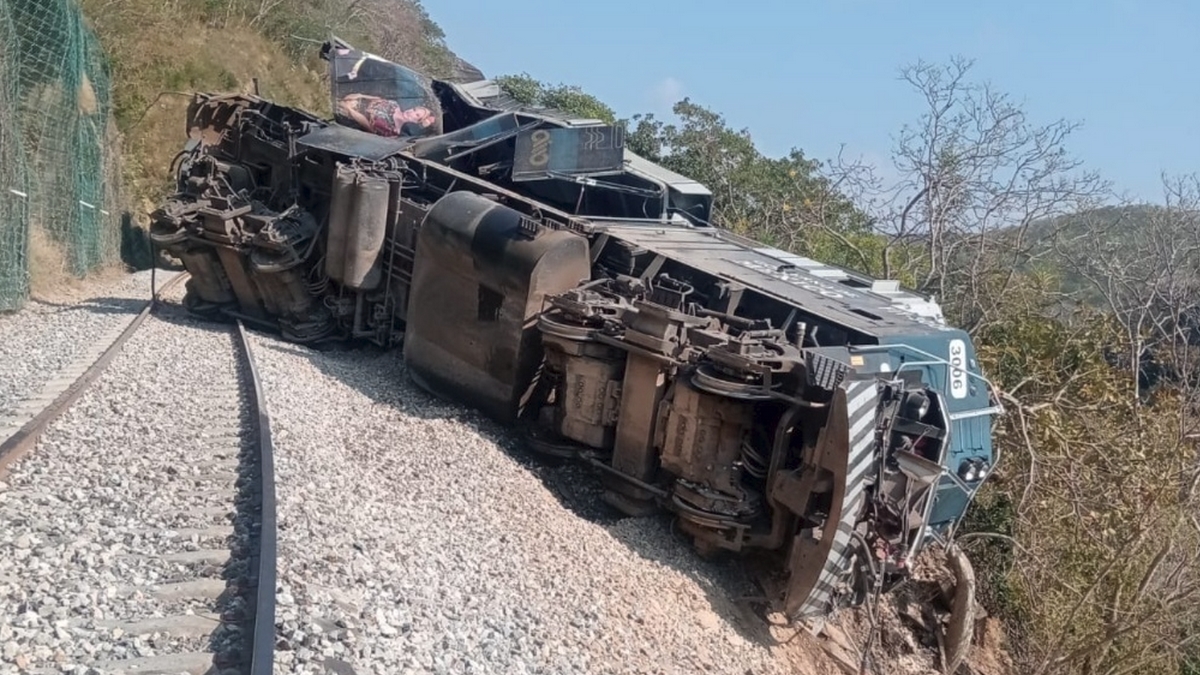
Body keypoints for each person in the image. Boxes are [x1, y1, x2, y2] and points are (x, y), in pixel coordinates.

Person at [337, 93, 437, 138]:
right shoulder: (394, 104)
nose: (411, 112)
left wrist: (349, 109)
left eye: (417, 115)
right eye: (414, 109)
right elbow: (375, 98)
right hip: (351, 101)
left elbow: (366, 125)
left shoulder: (393, 131)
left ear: (416, 122)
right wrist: (360, 95)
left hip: (349, 117)